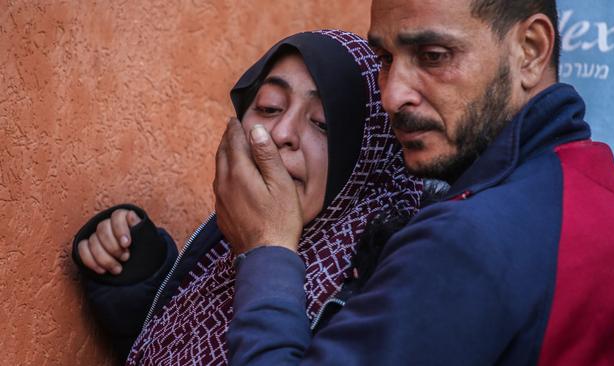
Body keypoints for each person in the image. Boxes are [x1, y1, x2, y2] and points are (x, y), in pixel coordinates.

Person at [214, 1, 614, 365]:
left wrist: (266, 247)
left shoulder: (467, 241)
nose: (391, 95)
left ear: (531, 50)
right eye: (385, 59)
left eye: (433, 56)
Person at [70, 29, 423, 364]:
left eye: (322, 124)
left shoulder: (378, 299)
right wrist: (136, 274)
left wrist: (264, 250)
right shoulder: (228, 237)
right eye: (269, 107)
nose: (282, 132)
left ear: (369, 155)